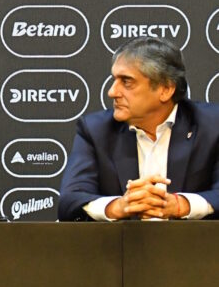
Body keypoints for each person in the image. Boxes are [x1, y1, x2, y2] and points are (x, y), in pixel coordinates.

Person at [59, 36, 219, 221]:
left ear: (165, 89)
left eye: (126, 82)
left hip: (197, 248)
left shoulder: (212, 125)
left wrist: (180, 204)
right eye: (114, 80)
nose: (112, 92)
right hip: (123, 248)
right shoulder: (96, 130)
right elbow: (69, 201)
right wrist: (118, 206)